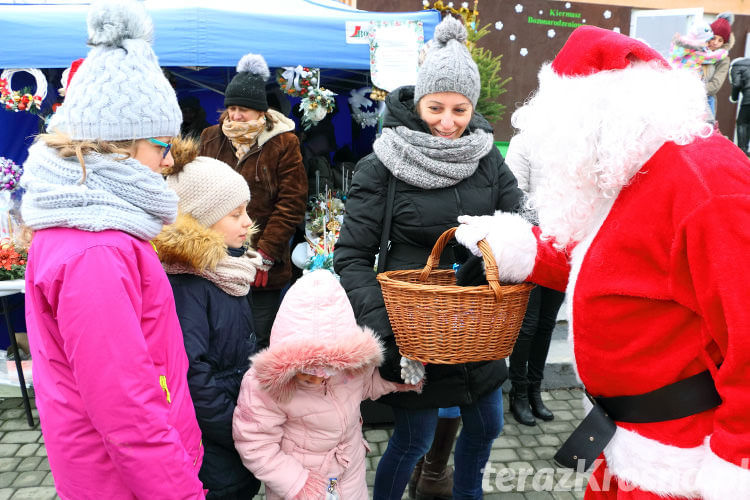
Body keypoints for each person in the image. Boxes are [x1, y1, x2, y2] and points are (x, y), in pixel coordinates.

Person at [456, 25, 750, 498]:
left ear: (609, 116)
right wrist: (521, 250)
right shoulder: (630, 166)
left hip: (684, 464)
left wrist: (737, 462)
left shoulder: (706, 185)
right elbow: (616, 265)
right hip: (625, 444)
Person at [20, 1, 205, 498]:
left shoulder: (89, 224)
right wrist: (180, 490)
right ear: (117, 144)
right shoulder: (96, 251)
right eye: (161, 145)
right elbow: (127, 411)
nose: (168, 162)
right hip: (124, 479)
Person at [333, 15, 523, 500]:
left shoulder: (487, 156)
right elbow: (352, 256)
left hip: (478, 323)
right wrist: (389, 329)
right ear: (418, 103)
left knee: (486, 428)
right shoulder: (384, 163)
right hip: (412, 329)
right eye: (436, 107)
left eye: (460, 109)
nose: (447, 122)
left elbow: (518, 222)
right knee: (413, 438)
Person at [232, 270, 420, 499]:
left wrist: (400, 379)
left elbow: (365, 386)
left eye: (328, 370)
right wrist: (298, 484)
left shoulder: (349, 370)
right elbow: (255, 443)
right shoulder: (266, 387)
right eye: (307, 372)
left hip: (349, 472)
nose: (318, 378)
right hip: (304, 484)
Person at [154, 137, 266, 499]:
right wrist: (235, 425)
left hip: (236, 420)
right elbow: (191, 373)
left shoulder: (229, 271)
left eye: (246, 211)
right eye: (235, 214)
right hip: (216, 438)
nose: (248, 223)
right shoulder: (189, 285)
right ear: (199, 221)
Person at [200, 52, 307, 351]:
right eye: (232, 108)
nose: (235, 116)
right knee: (219, 339)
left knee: (257, 340)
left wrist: (266, 254)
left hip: (264, 265)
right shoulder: (211, 138)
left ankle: (255, 397)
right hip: (215, 260)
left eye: (243, 109)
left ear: (261, 112)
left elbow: (291, 202)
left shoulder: (284, 142)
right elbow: (198, 194)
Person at [503, 133, 565, 427]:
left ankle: (534, 389)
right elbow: (513, 191)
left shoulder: (576, 142)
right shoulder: (525, 141)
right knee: (526, 324)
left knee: (546, 323)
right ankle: (518, 393)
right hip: (531, 243)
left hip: (564, 244)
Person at [705, 12, 735, 118]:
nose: (715, 42)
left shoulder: (723, 59)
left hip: (706, 100)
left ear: (724, 43)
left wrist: (696, 89)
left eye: (720, 40)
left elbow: (715, 85)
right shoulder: (695, 51)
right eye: (713, 37)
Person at [729, 56, 750, 154]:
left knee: (743, 123)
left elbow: (736, 84)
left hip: (748, 100)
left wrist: (734, 97)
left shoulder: (737, 65)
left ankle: (742, 151)